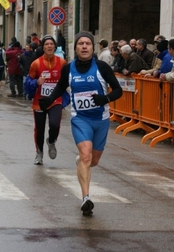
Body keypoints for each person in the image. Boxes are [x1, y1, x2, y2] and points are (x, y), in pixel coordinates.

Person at [38, 32, 123, 216]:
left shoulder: (102, 67)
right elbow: (61, 86)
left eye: (87, 44)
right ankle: (86, 198)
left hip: (101, 120)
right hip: (80, 119)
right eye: (80, 44)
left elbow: (118, 90)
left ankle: (82, 162)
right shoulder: (68, 69)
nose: (84, 46)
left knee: (93, 160)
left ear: (92, 48)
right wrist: (50, 99)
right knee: (86, 155)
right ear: (75, 48)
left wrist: (105, 98)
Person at [25, 35, 67, 165]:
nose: (49, 46)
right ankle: (39, 153)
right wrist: (37, 82)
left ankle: (52, 140)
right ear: (43, 47)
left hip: (55, 99)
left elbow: (67, 80)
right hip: (40, 101)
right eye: (46, 44)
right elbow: (28, 82)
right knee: (40, 128)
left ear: (55, 46)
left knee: (55, 124)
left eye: (51, 44)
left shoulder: (62, 63)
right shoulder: (36, 63)